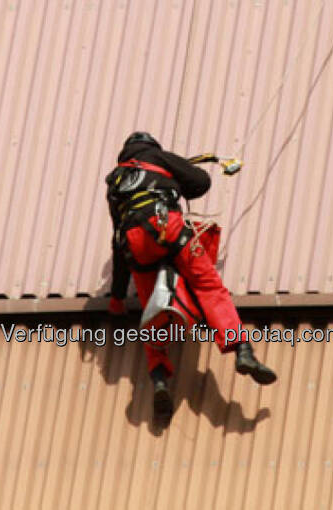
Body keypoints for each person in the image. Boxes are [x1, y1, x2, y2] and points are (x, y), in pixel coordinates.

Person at [104, 131, 277, 421]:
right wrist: (174, 180)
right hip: (166, 228)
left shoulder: (114, 182)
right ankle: (240, 349)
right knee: (208, 285)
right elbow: (201, 181)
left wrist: (118, 298)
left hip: (135, 245)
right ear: (150, 148)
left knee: (152, 313)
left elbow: (116, 236)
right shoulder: (158, 158)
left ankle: (159, 378)